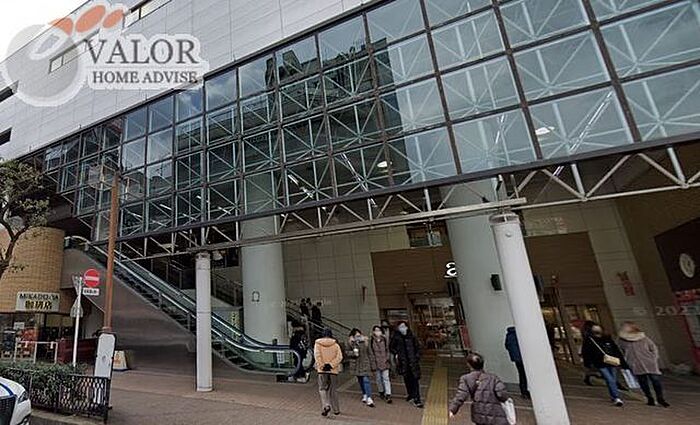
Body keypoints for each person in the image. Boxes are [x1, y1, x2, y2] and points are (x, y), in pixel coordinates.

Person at [618, 322, 669, 407]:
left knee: (655, 380)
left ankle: (660, 398)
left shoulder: (643, 337)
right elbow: (621, 350)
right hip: (635, 364)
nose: (623, 328)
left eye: (626, 326)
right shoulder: (622, 340)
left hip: (649, 363)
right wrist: (627, 360)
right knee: (643, 382)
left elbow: (653, 347)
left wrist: (654, 357)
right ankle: (650, 398)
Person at [448, 353, 509, 425]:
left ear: (469, 365)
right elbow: (502, 395)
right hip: (496, 413)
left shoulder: (466, 378)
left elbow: (461, 395)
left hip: (479, 414)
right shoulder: (493, 378)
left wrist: (453, 409)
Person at [581, 323, 628, 406]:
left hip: (612, 362)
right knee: (610, 379)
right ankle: (616, 397)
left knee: (612, 379)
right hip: (600, 363)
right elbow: (586, 353)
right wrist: (588, 363)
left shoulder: (607, 339)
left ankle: (614, 396)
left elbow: (616, 350)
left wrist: (623, 362)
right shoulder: (589, 340)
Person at [390, 321, 423, 408]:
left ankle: (417, 399)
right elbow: (391, 347)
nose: (402, 328)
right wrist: (397, 354)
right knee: (407, 380)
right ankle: (410, 394)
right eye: (400, 327)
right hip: (403, 363)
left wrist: (416, 357)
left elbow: (418, 348)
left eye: (404, 326)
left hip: (413, 362)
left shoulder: (412, 336)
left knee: (415, 380)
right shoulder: (396, 337)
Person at [314, 328, 343, 417]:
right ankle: (336, 409)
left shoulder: (318, 344)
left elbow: (317, 356)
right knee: (333, 390)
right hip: (333, 370)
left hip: (322, 371)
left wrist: (322, 365)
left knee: (322, 388)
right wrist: (331, 365)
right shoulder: (336, 345)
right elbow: (339, 357)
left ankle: (326, 405)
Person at [346, 328, 375, 407]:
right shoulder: (350, 343)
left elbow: (370, 353)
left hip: (365, 363)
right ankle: (364, 394)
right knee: (360, 380)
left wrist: (373, 364)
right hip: (356, 365)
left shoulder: (365, 342)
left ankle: (369, 397)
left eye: (359, 335)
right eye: (356, 336)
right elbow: (347, 352)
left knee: (366, 380)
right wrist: (353, 353)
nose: (358, 337)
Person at [369, 325, 392, 403]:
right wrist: (373, 362)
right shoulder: (371, 340)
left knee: (386, 378)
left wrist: (387, 358)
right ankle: (381, 391)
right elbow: (371, 353)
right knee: (378, 379)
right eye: (375, 330)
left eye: (379, 330)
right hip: (376, 362)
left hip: (385, 362)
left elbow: (388, 350)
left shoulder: (385, 339)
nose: (377, 332)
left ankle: (388, 394)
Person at [504, 326, 530, 399]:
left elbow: (506, 346)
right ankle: (527, 391)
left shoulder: (509, 336)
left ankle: (523, 391)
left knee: (521, 374)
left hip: (516, 359)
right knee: (526, 374)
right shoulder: (519, 335)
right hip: (523, 358)